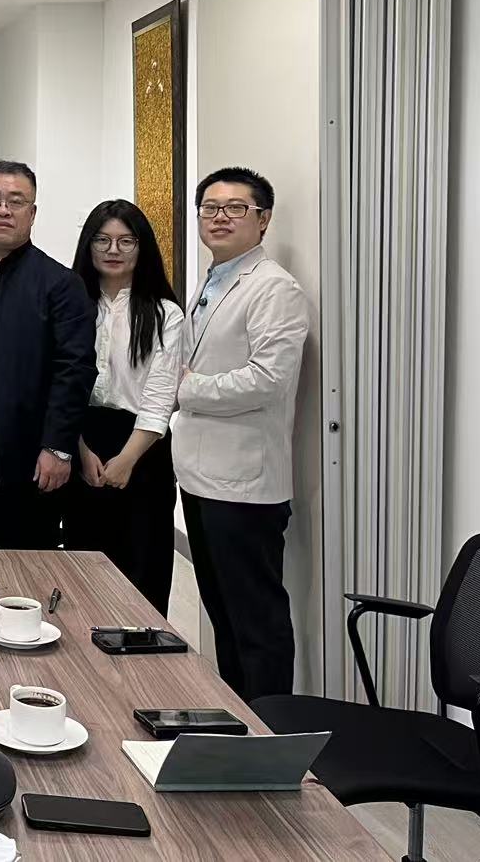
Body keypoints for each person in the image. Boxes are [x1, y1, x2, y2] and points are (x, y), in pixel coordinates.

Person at [174, 167, 309, 702]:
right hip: (202, 477)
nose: (220, 217)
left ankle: (270, 730)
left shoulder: (274, 288)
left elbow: (269, 380)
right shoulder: (213, 279)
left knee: (257, 624)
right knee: (224, 617)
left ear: (263, 219)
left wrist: (187, 389)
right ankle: (239, 721)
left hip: (245, 487)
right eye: (210, 208)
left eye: (236, 208)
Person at [0, 160, 95, 549]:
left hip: (32, 463)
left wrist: (58, 447)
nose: (3, 210)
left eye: (16, 201)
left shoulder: (60, 284)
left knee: (28, 570)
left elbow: (75, 370)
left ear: (33, 212)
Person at [62, 200, 184, 615]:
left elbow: (162, 394)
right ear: (89, 245)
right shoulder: (72, 306)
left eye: (126, 241)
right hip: (82, 442)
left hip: (144, 449)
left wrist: (128, 459)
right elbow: (60, 386)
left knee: (143, 571)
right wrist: (79, 450)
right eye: (102, 240)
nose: (113, 249)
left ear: (141, 247)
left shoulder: (165, 313)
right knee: (84, 572)